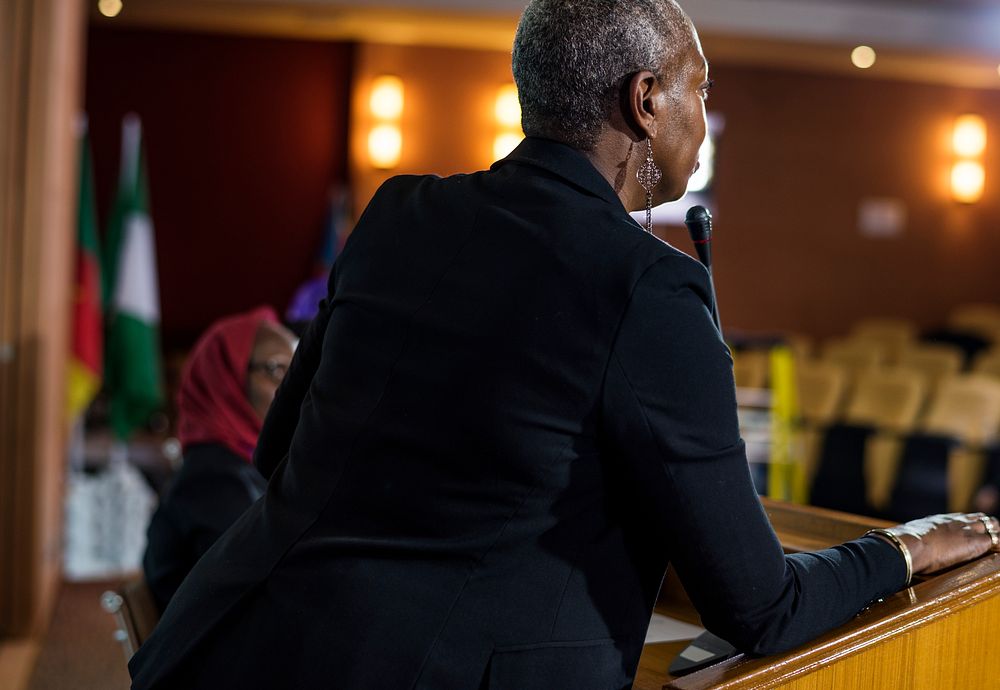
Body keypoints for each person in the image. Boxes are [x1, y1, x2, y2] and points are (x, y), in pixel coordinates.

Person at [130, 1, 999, 687]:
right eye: (700, 87)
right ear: (646, 100)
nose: (704, 112)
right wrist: (907, 546)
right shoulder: (650, 290)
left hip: (237, 640)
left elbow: (284, 450)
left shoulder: (398, 213)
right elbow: (759, 606)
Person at [141, 306, 296, 613]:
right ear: (225, 378)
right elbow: (258, 589)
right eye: (277, 370)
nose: (293, 388)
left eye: (297, 371)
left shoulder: (244, 464)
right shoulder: (214, 477)